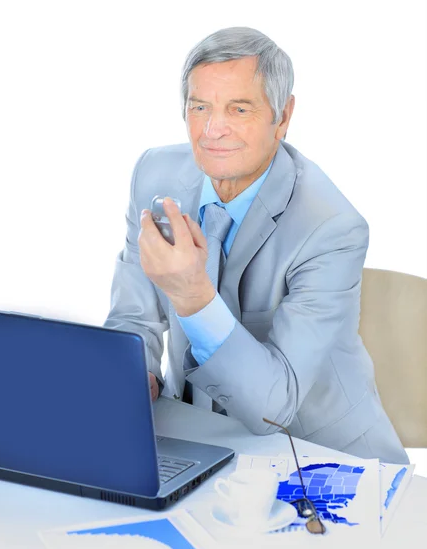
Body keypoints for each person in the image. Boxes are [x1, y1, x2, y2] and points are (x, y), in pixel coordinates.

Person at [104, 26, 409, 464]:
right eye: (200, 106)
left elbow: (274, 408)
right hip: (190, 436)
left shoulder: (331, 228)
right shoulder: (155, 176)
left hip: (313, 454)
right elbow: (133, 315)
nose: (213, 129)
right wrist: (137, 373)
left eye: (239, 109)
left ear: (282, 118)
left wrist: (193, 296)